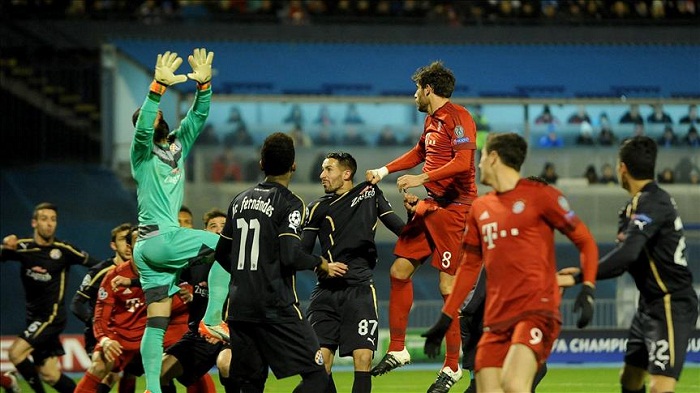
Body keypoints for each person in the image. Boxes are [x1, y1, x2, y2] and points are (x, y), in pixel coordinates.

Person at [421, 133, 599, 393]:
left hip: (536, 311)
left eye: (481, 158)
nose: (478, 165)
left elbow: (585, 240)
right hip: (495, 319)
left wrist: (589, 288)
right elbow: (470, 267)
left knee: (515, 385)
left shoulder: (541, 196)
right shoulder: (481, 208)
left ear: (494, 158)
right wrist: (446, 318)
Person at [366, 61, 478, 392]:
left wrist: (422, 178)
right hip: (431, 207)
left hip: (457, 210)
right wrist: (383, 171)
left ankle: (453, 366)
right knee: (399, 271)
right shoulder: (432, 120)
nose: (414, 95)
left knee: (448, 288)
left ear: (428, 89)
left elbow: (463, 162)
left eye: (417, 89)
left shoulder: (460, 118)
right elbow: (419, 151)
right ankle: (398, 349)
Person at [558, 136, 698, 393]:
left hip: (671, 302)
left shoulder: (654, 202)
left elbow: (627, 254)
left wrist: (580, 277)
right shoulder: (635, 207)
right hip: (649, 303)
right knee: (630, 378)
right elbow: (624, 259)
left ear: (622, 167)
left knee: (660, 387)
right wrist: (583, 273)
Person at [129, 48, 229, 393]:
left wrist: (205, 87)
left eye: (154, 115)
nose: (151, 118)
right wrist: (156, 87)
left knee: (156, 321)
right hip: (160, 238)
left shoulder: (175, 147)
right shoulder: (140, 154)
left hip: (146, 248)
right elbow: (143, 129)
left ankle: (153, 389)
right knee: (226, 246)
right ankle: (213, 318)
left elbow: (197, 120)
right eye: (146, 115)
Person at [215, 132, 336, 392]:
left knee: (250, 383)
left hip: (240, 307)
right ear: (293, 165)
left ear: (261, 164)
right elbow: (291, 254)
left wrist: (243, 276)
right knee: (317, 374)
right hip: (275, 306)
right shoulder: (291, 203)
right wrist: (320, 263)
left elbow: (221, 253)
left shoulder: (238, 201)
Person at [302, 152, 405, 393]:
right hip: (325, 293)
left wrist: (413, 214)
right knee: (320, 362)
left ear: (346, 173)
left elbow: (401, 229)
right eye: (323, 169)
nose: (322, 175)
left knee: (363, 359)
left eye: (328, 169)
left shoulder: (369, 193)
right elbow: (300, 254)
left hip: (359, 290)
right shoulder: (316, 207)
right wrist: (321, 264)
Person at [1, 202, 100, 393]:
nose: (49, 224)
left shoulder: (63, 250)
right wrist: (6, 244)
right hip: (34, 318)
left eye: (53, 220)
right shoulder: (23, 248)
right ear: (34, 223)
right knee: (50, 375)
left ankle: (11, 384)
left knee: (15, 353)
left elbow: (97, 265)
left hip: (52, 317)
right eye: (44, 219)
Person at [74, 232, 192, 393]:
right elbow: (101, 316)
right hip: (122, 339)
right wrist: (104, 339)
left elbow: (183, 302)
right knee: (99, 365)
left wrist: (190, 295)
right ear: (130, 248)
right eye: (139, 241)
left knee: (191, 360)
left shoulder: (167, 273)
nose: (145, 246)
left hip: (156, 337)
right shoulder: (113, 276)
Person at [160, 208, 230, 393]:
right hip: (198, 335)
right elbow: (167, 276)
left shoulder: (241, 262)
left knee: (226, 365)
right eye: (213, 226)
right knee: (159, 373)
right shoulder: (196, 262)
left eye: (224, 226)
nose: (218, 230)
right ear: (205, 233)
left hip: (230, 333)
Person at [70, 223, 138, 393]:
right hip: (104, 331)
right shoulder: (102, 272)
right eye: (122, 240)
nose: (127, 244)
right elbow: (76, 303)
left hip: (133, 331)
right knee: (106, 372)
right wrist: (95, 322)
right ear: (114, 245)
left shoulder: (148, 272)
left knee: (131, 372)